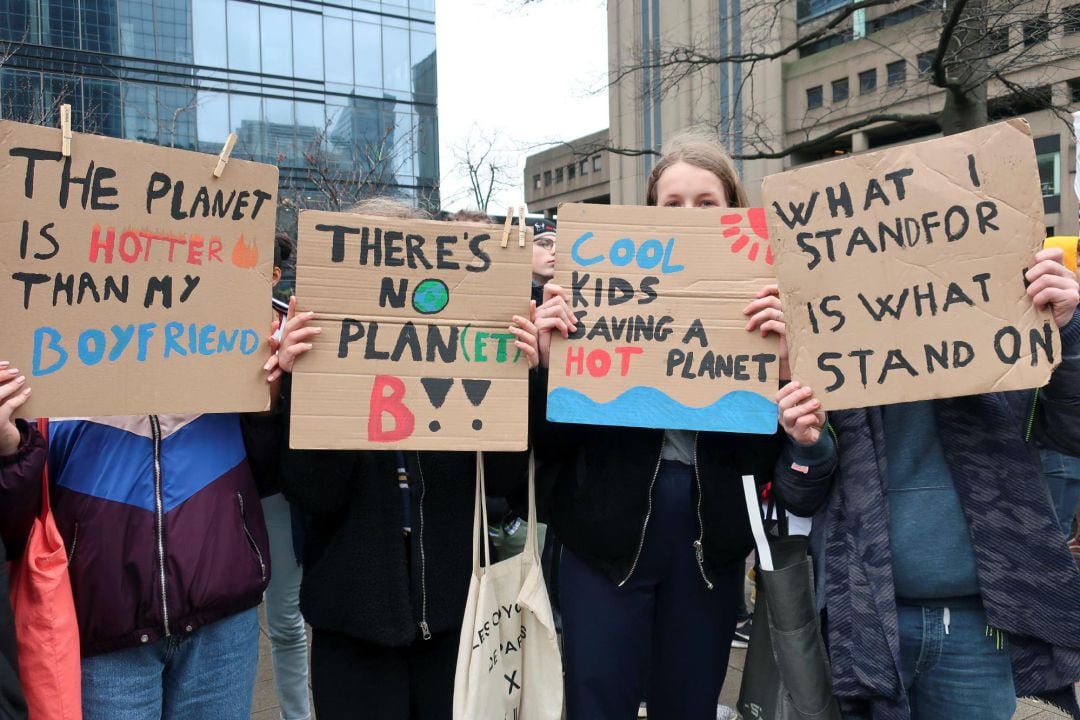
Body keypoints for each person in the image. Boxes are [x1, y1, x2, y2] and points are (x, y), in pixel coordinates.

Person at [529, 131, 832, 720]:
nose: (689, 216)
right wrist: (549, 367)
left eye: (706, 203)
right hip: (603, 542)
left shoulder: (771, 303)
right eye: (672, 204)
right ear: (650, 215)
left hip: (709, 546)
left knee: (689, 703)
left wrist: (788, 362)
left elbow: (784, 447)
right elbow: (548, 445)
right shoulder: (597, 293)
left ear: (733, 211)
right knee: (596, 701)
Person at [774, 248, 1080, 719]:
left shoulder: (1004, 316)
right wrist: (807, 445)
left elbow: (1073, 433)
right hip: (867, 622)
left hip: (978, 627)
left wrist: (1067, 331)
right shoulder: (825, 342)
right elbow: (799, 495)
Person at [274, 198, 539, 720]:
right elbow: (314, 495)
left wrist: (520, 381)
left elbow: (506, 485)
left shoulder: (462, 369)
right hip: (352, 627)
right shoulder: (318, 370)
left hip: (453, 620)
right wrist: (311, 388)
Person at [0, 336, 283, 718]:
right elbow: (16, 529)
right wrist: (9, 449)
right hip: (104, 630)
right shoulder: (41, 345)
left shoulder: (224, 335)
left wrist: (272, 400)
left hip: (223, 620)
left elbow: (272, 477)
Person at [242, 230, 312, 720]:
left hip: (283, 491)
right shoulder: (192, 322)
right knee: (248, 621)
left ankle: (297, 712)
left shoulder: (295, 324)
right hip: (226, 488)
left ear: (273, 274)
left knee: (288, 621)